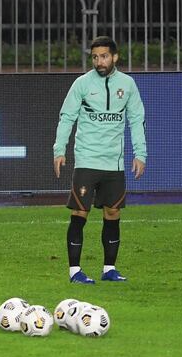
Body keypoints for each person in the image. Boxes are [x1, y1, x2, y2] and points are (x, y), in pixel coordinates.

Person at [53, 35, 147, 284]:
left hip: (114, 164)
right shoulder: (82, 84)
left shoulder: (127, 85)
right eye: (95, 57)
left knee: (113, 213)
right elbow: (67, 118)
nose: (99, 61)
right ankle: (75, 271)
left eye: (104, 56)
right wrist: (59, 150)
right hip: (86, 160)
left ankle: (109, 269)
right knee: (80, 212)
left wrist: (141, 154)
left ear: (115, 57)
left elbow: (136, 120)